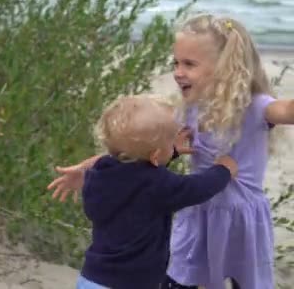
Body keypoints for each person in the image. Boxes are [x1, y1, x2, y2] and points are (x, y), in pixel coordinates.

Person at [49, 14, 294, 289]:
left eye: (189, 64)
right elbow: (133, 151)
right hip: (195, 208)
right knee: (179, 279)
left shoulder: (255, 106)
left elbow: (286, 110)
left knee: (245, 280)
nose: (178, 72)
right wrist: (86, 168)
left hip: (241, 220)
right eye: (175, 63)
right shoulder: (188, 108)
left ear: (226, 68)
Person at [56, 94, 237, 289]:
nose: (173, 144)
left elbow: (139, 171)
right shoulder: (156, 184)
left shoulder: (99, 172)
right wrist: (223, 171)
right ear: (156, 155)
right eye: (170, 141)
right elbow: (196, 188)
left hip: (91, 278)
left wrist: (171, 151)